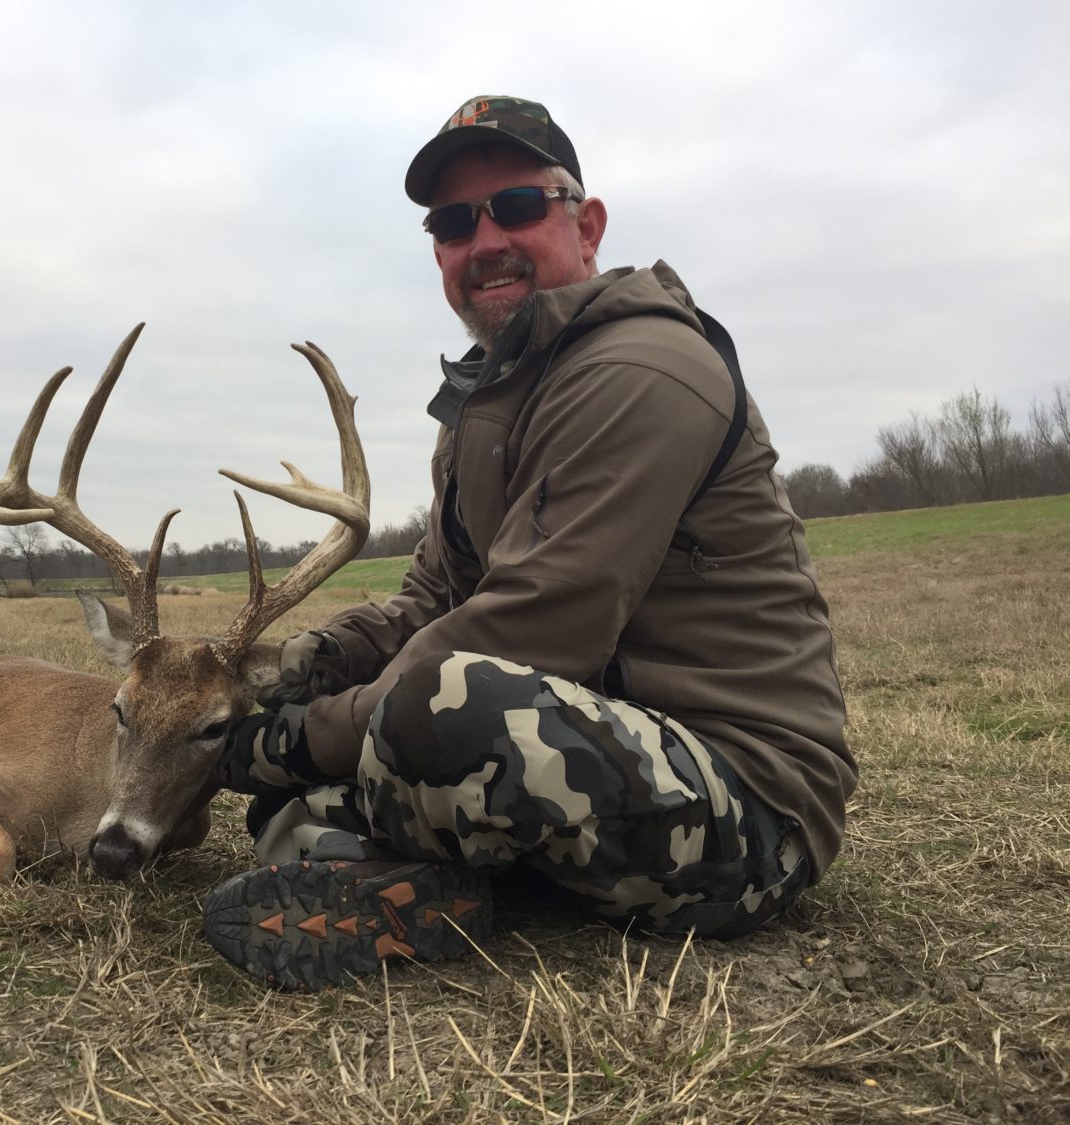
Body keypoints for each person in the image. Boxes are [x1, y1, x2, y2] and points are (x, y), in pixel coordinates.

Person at [202, 95, 856, 992]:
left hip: (744, 806)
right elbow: (430, 601)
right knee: (358, 737)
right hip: (590, 747)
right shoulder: (484, 406)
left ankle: (367, 854)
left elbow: (528, 631)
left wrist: (288, 741)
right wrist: (302, 667)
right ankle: (425, 887)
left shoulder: (642, 370)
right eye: (453, 222)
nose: (484, 242)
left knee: (437, 705)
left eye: (515, 206)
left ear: (585, 225)